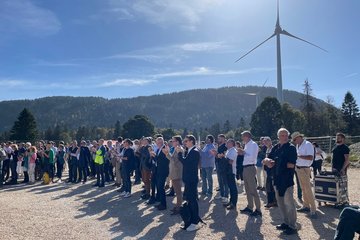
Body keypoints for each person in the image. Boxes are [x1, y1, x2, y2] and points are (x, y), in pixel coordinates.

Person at [263, 128, 298, 235]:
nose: (284, 137)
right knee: (281, 203)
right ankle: (285, 222)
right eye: (282, 135)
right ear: (278, 137)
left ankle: (292, 226)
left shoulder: (291, 148)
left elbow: (292, 164)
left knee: (289, 203)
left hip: (286, 180)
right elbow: (266, 160)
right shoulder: (275, 148)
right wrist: (267, 161)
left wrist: (276, 162)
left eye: (286, 135)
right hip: (276, 179)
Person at [177, 135, 202, 232]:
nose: (184, 142)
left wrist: (179, 153)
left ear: (191, 141)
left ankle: (195, 222)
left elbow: (185, 162)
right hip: (188, 179)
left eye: (186, 141)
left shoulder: (194, 152)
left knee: (192, 200)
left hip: (191, 180)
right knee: (189, 200)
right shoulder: (190, 151)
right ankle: (190, 219)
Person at [291, 132, 317, 218]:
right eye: (294, 140)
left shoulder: (307, 144)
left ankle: (313, 209)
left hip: (305, 168)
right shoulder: (299, 145)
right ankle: (306, 205)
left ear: (299, 137)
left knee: (308, 189)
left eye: (295, 139)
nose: (294, 141)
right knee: (303, 188)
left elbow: (310, 157)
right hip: (299, 168)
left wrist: (299, 156)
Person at [239, 131, 262, 217]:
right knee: (248, 189)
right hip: (246, 167)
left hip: (250, 167)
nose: (242, 138)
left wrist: (243, 152)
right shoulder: (247, 144)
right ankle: (250, 206)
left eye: (243, 136)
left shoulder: (253, 144)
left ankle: (258, 209)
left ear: (247, 136)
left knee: (253, 189)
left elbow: (252, 157)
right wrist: (243, 152)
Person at [163, 135, 184, 215]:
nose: (172, 142)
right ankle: (178, 206)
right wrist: (167, 154)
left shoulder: (179, 149)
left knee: (178, 192)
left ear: (177, 142)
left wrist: (167, 154)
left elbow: (174, 161)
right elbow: (173, 160)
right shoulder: (176, 149)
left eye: (173, 141)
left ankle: (179, 208)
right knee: (177, 191)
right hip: (174, 172)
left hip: (177, 173)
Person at [151, 137, 169, 210]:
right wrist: (153, 157)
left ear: (163, 142)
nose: (159, 144)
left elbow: (165, 161)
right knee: (159, 187)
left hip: (163, 171)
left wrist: (155, 156)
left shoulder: (164, 148)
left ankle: (163, 205)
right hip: (158, 170)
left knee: (161, 187)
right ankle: (161, 202)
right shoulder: (158, 149)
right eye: (158, 143)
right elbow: (157, 160)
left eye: (160, 142)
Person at [212, 134, 228, 204]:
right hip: (218, 164)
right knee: (220, 181)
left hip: (223, 165)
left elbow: (223, 156)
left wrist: (217, 154)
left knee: (224, 181)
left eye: (219, 138)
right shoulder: (219, 146)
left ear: (223, 138)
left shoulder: (225, 146)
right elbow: (218, 155)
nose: (218, 140)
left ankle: (226, 196)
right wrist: (215, 154)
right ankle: (222, 195)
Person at [223, 139, 238, 210]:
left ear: (232, 143)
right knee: (230, 187)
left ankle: (233, 203)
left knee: (233, 188)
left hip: (231, 171)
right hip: (228, 171)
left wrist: (223, 157)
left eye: (228, 142)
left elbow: (230, 162)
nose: (226, 143)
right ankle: (231, 201)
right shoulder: (229, 150)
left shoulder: (233, 151)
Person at [262, 137, 277, 208]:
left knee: (271, 186)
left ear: (270, 141)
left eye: (266, 141)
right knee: (268, 186)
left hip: (272, 170)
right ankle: (271, 201)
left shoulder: (273, 149)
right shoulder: (267, 149)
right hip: (267, 169)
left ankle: (273, 201)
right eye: (264, 142)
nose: (265, 143)